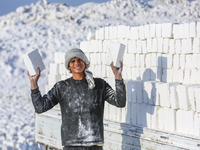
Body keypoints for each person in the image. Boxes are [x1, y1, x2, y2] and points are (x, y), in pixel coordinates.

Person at [27, 48, 126, 150]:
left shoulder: (99, 85)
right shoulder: (61, 87)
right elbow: (40, 107)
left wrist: (118, 76)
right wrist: (34, 83)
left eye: (80, 60)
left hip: (94, 145)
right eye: (72, 61)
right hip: (71, 146)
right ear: (69, 66)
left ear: (85, 62)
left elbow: (120, 102)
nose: (77, 63)